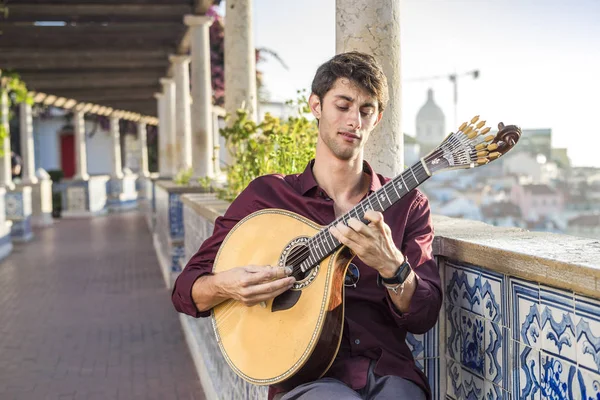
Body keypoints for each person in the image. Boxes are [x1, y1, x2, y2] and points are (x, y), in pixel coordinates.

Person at [172, 51, 442, 400]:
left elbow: (424, 317)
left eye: (366, 110)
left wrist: (393, 267)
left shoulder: (407, 205)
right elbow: (185, 290)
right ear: (316, 106)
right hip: (303, 378)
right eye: (342, 106)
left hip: (386, 370)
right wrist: (227, 286)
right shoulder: (268, 197)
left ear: (377, 119)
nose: (354, 122)